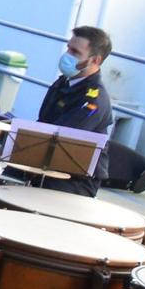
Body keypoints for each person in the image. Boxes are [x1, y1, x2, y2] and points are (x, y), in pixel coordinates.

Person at [34, 26, 115, 195]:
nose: (67, 55)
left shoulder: (94, 100)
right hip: (48, 165)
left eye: (75, 52)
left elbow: (58, 136)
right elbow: (42, 124)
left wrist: (4, 137)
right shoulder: (63, 83)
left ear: (95, 60)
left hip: (76, 181)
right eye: (68, 48)